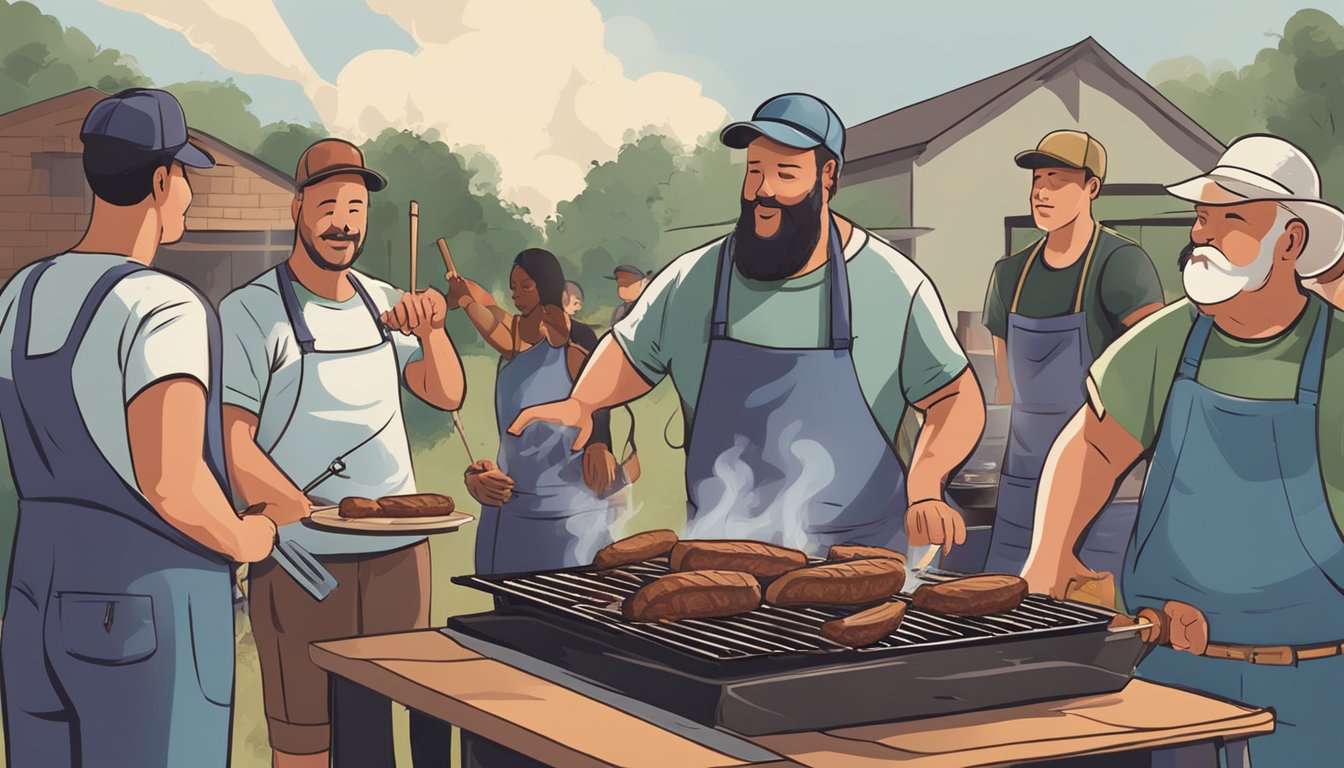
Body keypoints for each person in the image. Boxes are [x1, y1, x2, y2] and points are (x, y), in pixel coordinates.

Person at [512, 93, 985, 558]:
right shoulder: (696, 277)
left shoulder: (890, 283)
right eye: (755, 170)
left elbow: (954, 397)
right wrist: (584, 401)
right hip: (721, 555)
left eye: (785, 173)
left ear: (827, 176)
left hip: (862, 563)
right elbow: (633, 354)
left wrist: (925, 484)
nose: (763, 190)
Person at [1022, 135, 1344, 765]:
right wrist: (1051, 553)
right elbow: (1093, 444)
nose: (1204, 234)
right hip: (1172, 672)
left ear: (1291, 241)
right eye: (1202, 217)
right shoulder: (1169, 338)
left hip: (1318, 684)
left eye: (1231, 221)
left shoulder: (1337, 355)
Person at [0, 88, 277, 767]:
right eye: (185, 176)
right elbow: (172, 481)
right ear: (161, 180)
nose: (187, 195)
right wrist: (248, 536)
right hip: (146, 609)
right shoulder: (162, 307)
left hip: (33, 596)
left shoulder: (18, 293)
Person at [220, 138, 465, 767]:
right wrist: (296, 510)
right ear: (297, 209)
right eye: (329, 204)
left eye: (355, 208)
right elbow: (230, 441)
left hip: (400, 560)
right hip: (306, 563)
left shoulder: (382, 303)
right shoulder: (251, 312)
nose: (343, 223)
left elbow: (445, 392)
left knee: (391, 736)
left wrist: (433, 331)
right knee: (306, 740)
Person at [980, 130, 1165, 576]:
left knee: (1091, 623)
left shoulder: (1122, 264)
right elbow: (1006, 387)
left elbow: (1149, 377)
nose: (1041, 191)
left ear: (1091, 188)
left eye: (1057, 179)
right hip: (1022, 483)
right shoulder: (1009, 275)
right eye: (1037, 178)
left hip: (1097, 490)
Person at [448, 248, 623, 569]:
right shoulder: (516, 336)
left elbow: (600, 392)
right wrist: (463, 293)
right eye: (513, 287)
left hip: (570, 519)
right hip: (508, 514)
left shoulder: (574, 339)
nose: (516, 294)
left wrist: (600, 442)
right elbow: (489, 310)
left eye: (526, 286)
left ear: (547, 285)